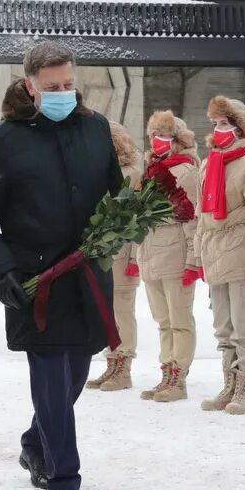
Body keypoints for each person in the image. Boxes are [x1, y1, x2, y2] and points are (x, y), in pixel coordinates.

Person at [0, 42, 121, 490]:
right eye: (51, 88)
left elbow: (115, 195)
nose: (62, 93)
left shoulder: (96, 130)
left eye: (69, 85)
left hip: (87, 277)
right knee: (52, 383)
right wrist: (4, 273)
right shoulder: (2, 141)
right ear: (29, 86)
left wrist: (130, 217)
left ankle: (35, 445)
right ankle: (64, 483)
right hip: (37, 283)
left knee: (75, 376)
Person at [195, 96, 245, 416]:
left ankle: (244, 389)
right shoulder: (208, 163)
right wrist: (198, 258)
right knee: (223, 328)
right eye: (216, 124)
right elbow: (202, 216)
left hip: (241, 254)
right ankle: (228, 384)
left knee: (244, 330)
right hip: (214, 253)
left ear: (240, 128)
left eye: (226, 124)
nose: (219, 130)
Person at [131, 111, 201, 403]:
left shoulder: (185, 170)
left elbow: (192, 218)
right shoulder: (151, 170)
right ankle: (166, 370)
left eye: (165, 136)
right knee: (163, 320)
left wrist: (192, 261)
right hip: (151, 252)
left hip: (175, 253)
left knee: (179, 319)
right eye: (154, 135)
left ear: (178, 141)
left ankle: (178, 375)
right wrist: (137, 256)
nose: (158, 142)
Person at [86, 121, 143, 392]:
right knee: (106, 309)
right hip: (102, 250)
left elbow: (133, 218)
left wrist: (133, 258)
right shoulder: (99, 170)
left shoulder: (131, 172)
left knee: (122, 308)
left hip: (122, 250)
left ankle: (124, 365)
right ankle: (111, 360)